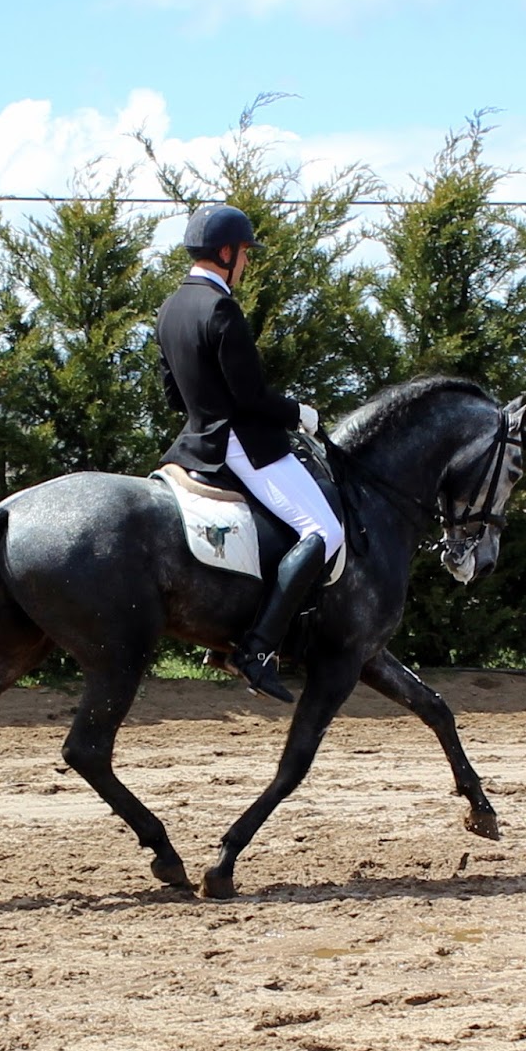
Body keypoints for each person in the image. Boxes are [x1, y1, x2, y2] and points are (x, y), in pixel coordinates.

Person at [156, 203, 344, 703]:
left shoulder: (170, 308)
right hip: (239, 444)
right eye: (244, 253)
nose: (245, 263)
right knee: (325, 531)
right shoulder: (221, 309)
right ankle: (257, 649)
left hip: (193, 442)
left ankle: (230, 636)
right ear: (225, 253)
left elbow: (174, 395)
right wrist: (298, 413)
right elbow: (250, 398)